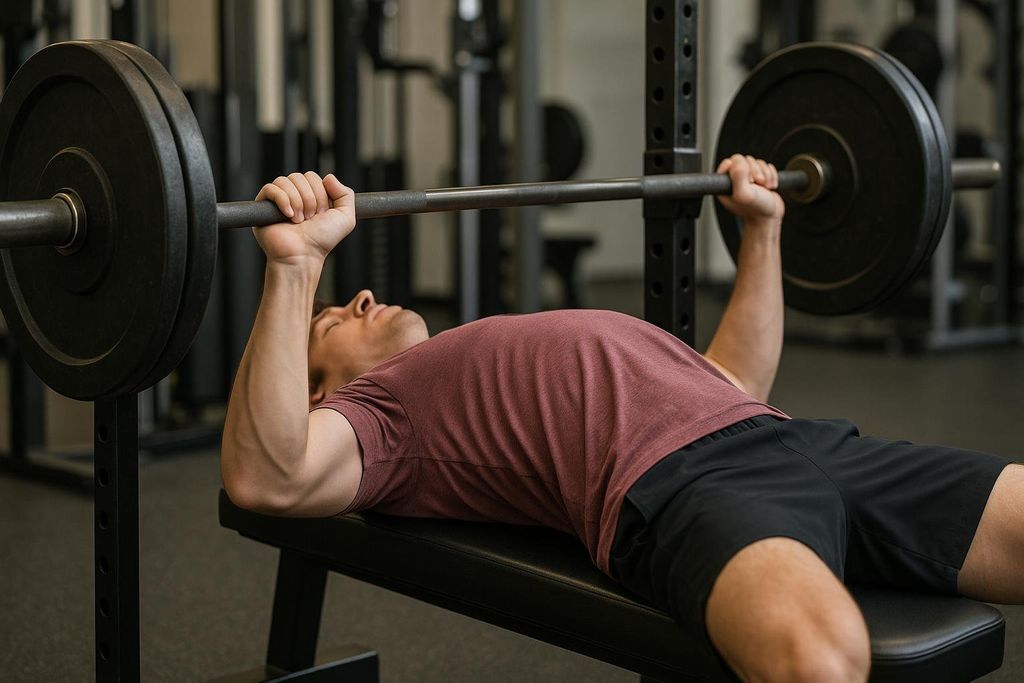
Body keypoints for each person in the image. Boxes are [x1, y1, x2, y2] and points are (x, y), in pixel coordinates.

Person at [220, 156, 1022, 683]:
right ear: (320, 394)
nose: (359, 298)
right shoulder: (383, 413)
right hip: (686, 490)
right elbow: (268, 474)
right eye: (332, 325)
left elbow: (733, 376)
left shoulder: (463, 352)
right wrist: (296, 270)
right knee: (818, 658)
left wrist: (763, 229)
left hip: (798, 436)